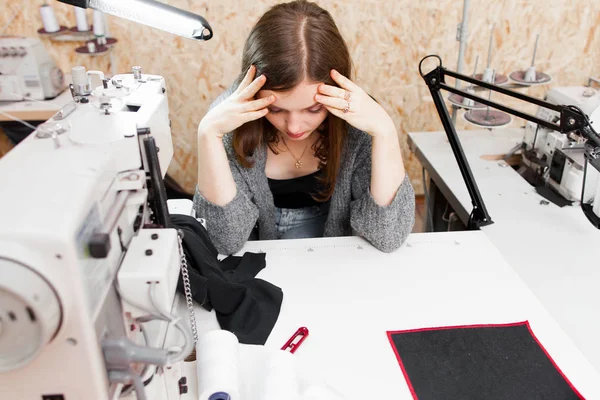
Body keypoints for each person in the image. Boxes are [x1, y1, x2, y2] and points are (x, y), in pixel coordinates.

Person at [194, 0, 415, 255]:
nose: (294, 126)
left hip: (335, 260)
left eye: (313, 109)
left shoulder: (360, 122)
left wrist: (385, 132)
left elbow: (388, 236)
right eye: (276, 109)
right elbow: (225, 241)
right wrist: (208, 134)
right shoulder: (228, 123)